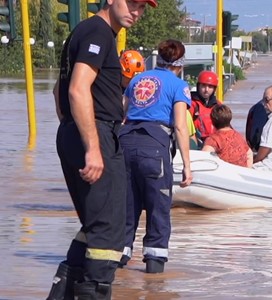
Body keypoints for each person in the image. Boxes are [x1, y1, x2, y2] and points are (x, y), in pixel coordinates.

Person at [48, 0, 156, 299]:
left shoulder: (86, 31)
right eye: (132, 3)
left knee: (96, 225)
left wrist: (71, 130)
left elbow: (59, 91)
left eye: (142, 8)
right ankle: (94, 292)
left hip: (80, 131)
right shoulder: (98, 32)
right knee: (110, 230)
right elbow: (76, 89)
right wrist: (92, 146)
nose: (136, 11)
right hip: (97, 133)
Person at [118, 39, 193, 274]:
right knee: (158, 209)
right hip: (154, 148)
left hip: (125, 144)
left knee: (126, 209)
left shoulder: (138, 79)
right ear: (180, 65)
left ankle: (114, 271)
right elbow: (180, 127)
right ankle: (154, 277)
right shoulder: (178, 85)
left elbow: (123, 113)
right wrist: (187, 166)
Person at [189, 70, 221, 146]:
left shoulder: (218, 105)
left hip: (215, 143)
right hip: (197, 143)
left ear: (214, 89)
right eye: (203, 86)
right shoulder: (191, 104)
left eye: (210, 87)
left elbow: (226, 126)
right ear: (198, 86)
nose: (206, 90)